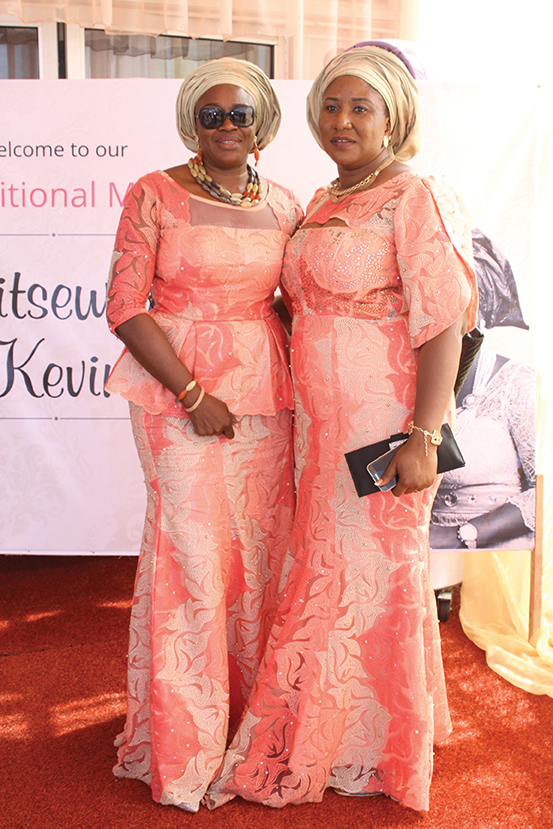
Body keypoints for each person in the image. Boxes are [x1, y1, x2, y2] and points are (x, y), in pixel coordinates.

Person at [206, 45, 478, 812]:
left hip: (382, 420)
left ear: (394, 117)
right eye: (331, 105)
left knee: (365, 571)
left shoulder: (415, 195)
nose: (342, 120)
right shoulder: (325, 196)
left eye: (361, 107)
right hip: (317, 422)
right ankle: (362, 726)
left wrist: (424, 435)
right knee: (329, 567)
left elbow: (442, 323)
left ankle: (356, 743)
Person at [104, 57, 303, 811]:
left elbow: (292, 300)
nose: (226, 126)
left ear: (262, 124)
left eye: (240, 113)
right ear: (193, 123)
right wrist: (191, 392)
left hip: (265, 402)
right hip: (175, 395)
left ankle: (247, 730)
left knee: (256, 560)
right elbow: (125, 305)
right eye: (211, 114)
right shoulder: (152, 193)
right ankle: (184, 746)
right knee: (190, 559)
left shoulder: (284, 204)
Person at [430, 229, 535, 551]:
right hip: (419, 556)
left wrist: (463, 534)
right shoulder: (402, 384)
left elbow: (547, 489)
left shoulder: (517, 384)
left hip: (499, 559)